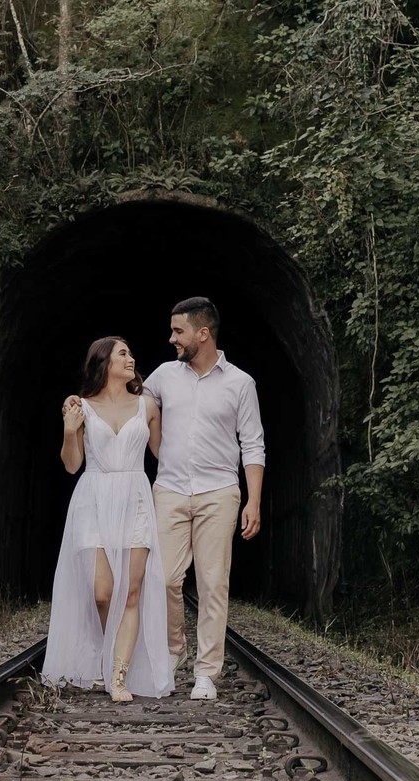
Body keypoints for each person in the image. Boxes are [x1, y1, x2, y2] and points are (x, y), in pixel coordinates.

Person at [142, 297, 265, 701]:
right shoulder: (163, 376)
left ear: (203, 334)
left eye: (178, 331)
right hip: (170, 489)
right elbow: (134, 404)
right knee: (164, 578)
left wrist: (253, 501)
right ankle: (174, 650)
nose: (171, 338)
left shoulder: (240, 383)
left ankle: (206, 673)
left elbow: (253, 445)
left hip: (219, 492)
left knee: (213, 583)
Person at [42, 336, 175, 702]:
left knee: (131, 591)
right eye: (123, 354)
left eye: (130, 353)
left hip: (135, 497)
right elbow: (72, 465)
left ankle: (118, 676)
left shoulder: (147, 405)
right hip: (93, 498)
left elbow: (164, 454)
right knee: (103, 592)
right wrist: (70, 430)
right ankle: (107, 651)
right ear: (103, 362)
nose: (131, 359)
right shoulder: (81, 406)